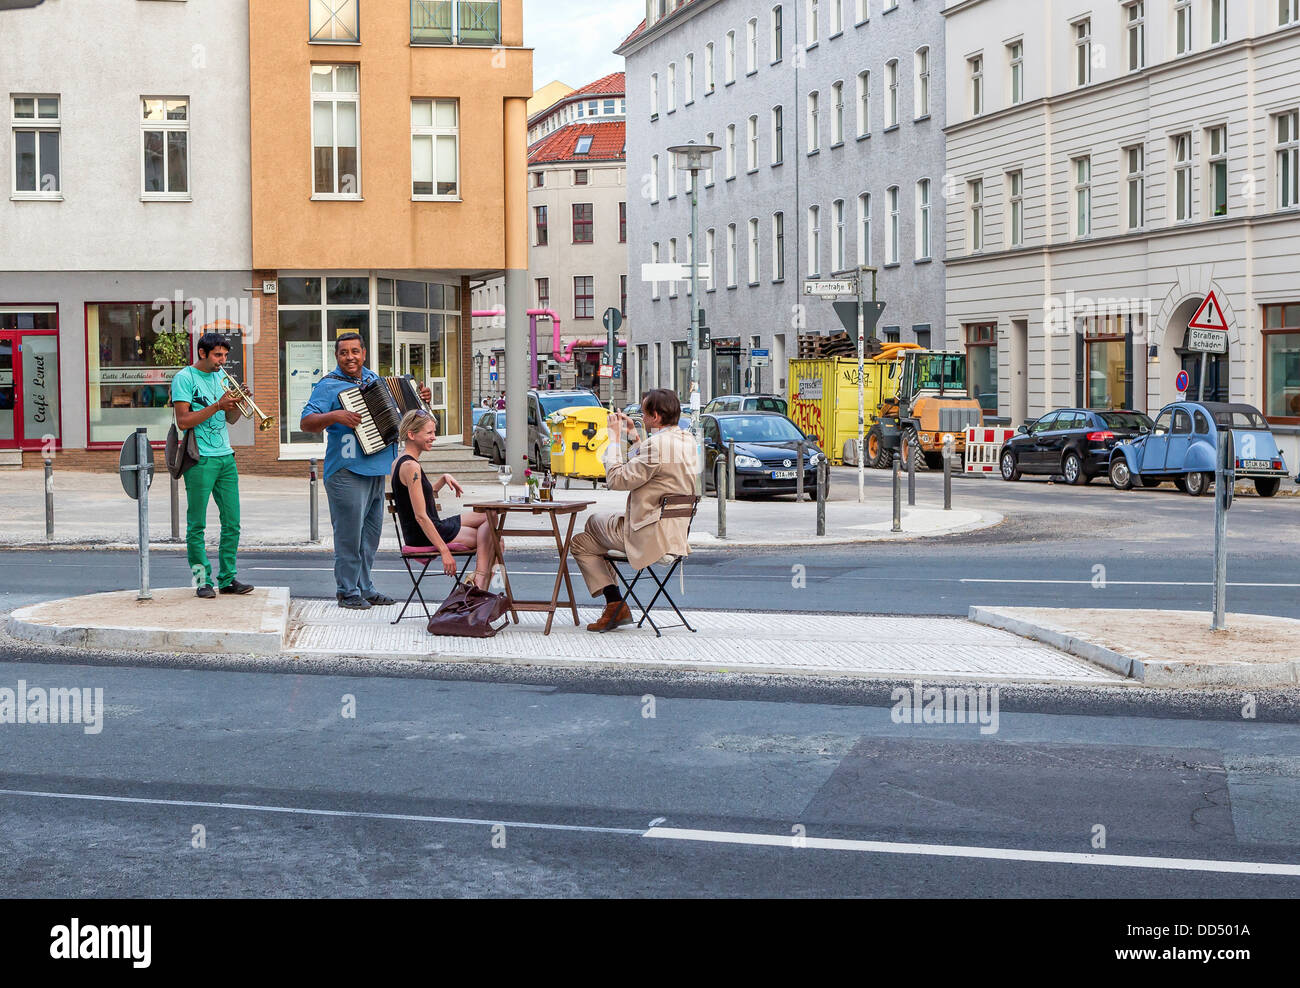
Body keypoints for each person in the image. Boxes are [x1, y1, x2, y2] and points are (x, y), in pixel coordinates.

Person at [299, 332, 433, 610]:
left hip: (376, 469)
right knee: (349, 536)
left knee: (370, 537)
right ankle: (346, 591)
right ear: (337, 356)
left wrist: (420, 400)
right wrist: (334, 416)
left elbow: (408, 417)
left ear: (364, 353)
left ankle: (366, 587)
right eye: (343, 352)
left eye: (355, 351)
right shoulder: (328, 387)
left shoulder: (375, 380)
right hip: (346, 471)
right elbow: (306, 422)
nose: (350, 357)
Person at [571, 388, 697, 632]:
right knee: (591, 534)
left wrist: (614, 439)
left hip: (651, 536)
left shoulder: (657, 446)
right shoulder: (686, 440)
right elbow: (650, 463)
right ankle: (615, 607)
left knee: (582, 539)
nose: (641, 417)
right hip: (675, 534)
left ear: (656, 416)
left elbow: (617, 480)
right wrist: (634, 437)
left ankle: (615, 605)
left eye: (644, 413)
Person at [170, 332, 254, 599]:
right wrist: (218, 404)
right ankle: (201, 580)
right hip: (199, 457)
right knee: (197, 524)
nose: (223, 361)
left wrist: (238, 403)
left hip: (225, 456)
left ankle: (227, 578)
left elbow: (230, 419)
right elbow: (183, 420)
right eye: (218, 355)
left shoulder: (220, 377)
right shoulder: (184, 378)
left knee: (233, 522)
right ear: (203, 353)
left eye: (225, 356)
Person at [391, 410, 496, 590]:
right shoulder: (411, 467)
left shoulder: (401, 462)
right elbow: (420, 516)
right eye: (429, 433)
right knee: (495, 539)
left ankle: (478, 584)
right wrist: (444, 551)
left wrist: (441, 480)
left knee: (491, 516)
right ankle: (479, 586)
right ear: (411, 434)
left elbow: (415, 498)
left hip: (430, 527)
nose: (434, 438)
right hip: (424, 534)